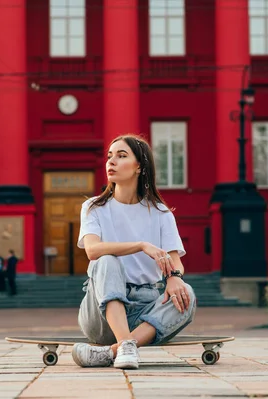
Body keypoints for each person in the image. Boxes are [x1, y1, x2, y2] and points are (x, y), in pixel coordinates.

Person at [71, 134, 197, 370]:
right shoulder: (94, 207)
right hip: (100, 312)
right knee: (106, 260)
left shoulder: (161, 213)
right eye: (109, 156)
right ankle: (124, 343)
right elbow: (92, 250)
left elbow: (175, 261)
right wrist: (140, 245)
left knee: (186, 294)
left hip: (145, 310)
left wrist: (173, 278)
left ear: (139, 166)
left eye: (121, 156)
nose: (111, 162)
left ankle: (117, 350)